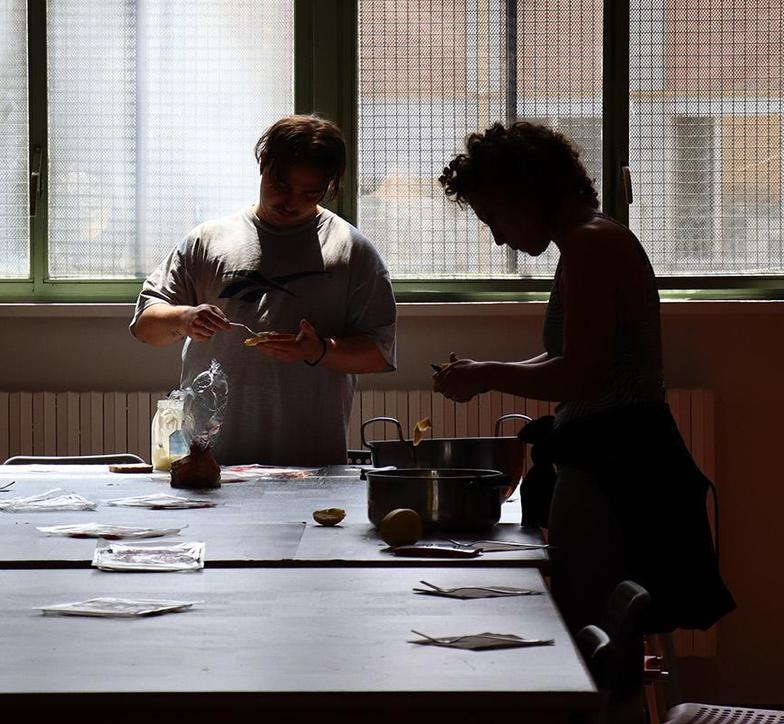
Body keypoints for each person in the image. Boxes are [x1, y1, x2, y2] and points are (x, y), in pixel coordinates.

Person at [432, 121, 734, 636]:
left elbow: (582, 376)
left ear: (525, 193)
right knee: (598, 631)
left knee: (590, 632)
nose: (498, 235)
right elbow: (573, 357)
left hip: (614, 462)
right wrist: (482, 372)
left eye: (494, 217)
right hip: (618, 450)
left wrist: (486, 374)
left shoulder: (592, 245)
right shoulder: (586, 241)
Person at [130, 114, 397, 467]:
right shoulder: (208, 242)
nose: (291, 201)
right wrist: (185, 317)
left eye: (310, 193)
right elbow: (144, 326)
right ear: (263, 164)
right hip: (211, 466)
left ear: (328, 188)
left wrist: (318, 350)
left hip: (311, 465)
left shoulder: (351, 251)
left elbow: (379, 353)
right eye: (281, 184)